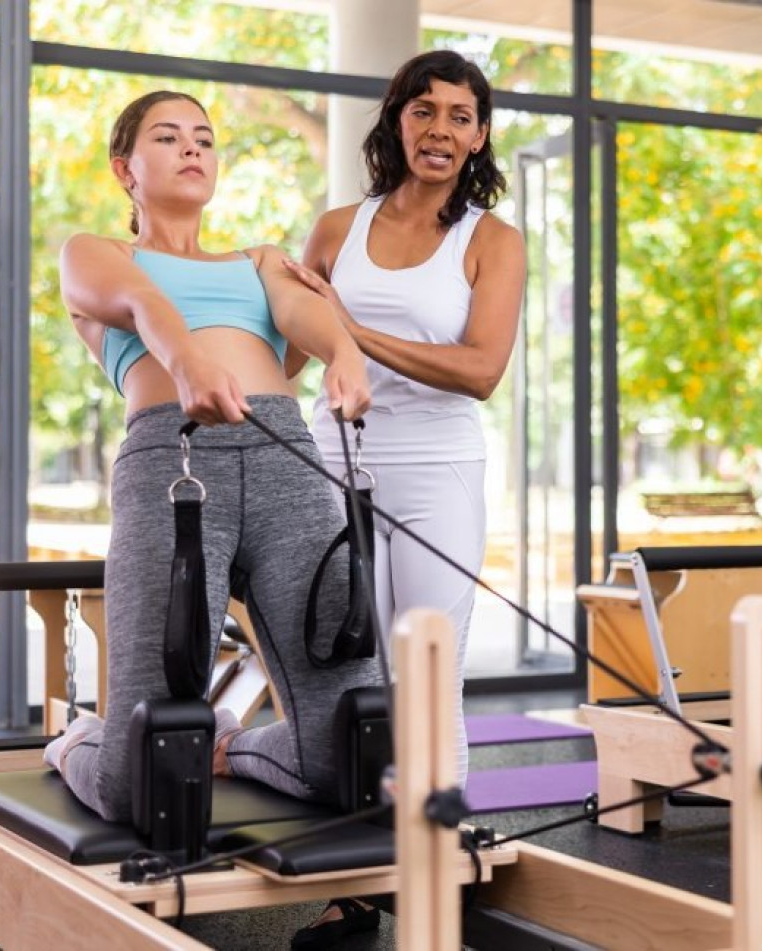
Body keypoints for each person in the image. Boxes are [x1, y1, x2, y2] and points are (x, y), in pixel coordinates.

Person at [45, 90, 378, 825]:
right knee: (141, 782)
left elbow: (307, 318)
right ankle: (79, 738)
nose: (193, 148)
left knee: (353, 751)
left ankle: (231, 744)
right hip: (173, 463)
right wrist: (188, 359)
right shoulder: (95, 253)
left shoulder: (258, 261)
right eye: (168, 137)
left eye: (204, 137)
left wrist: (344, 355)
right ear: (124, 168)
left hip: (288, 458)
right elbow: (140, 304)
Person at [288, 50, 525, 783]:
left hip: (437, 469)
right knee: (346, 671)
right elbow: (290, 359)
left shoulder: (491, 240)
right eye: (423, 110)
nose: (439, 129)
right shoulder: (335, 230)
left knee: (426, 665)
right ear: (397, 119)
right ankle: (353, 871)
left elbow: (481, 369)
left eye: (460, 116)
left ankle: (438, 851)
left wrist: (348, 331)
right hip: (334, 464)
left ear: (480, 135)